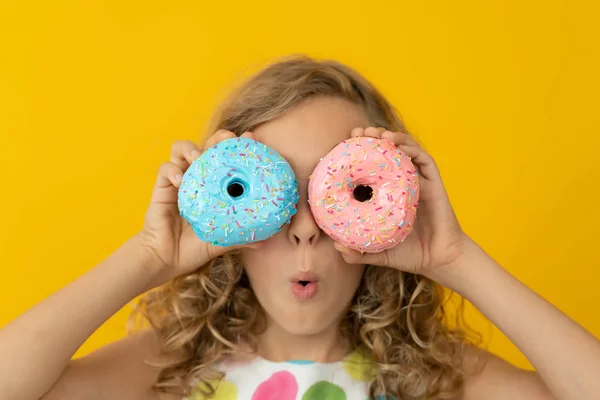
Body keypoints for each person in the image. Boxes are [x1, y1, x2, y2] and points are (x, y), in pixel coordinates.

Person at [1, 55, 599, 400]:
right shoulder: (173, 370)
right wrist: (148, 257)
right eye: (277, 194)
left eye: (342, 194)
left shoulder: (438, 379)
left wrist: (454, 259)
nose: (306, 230)